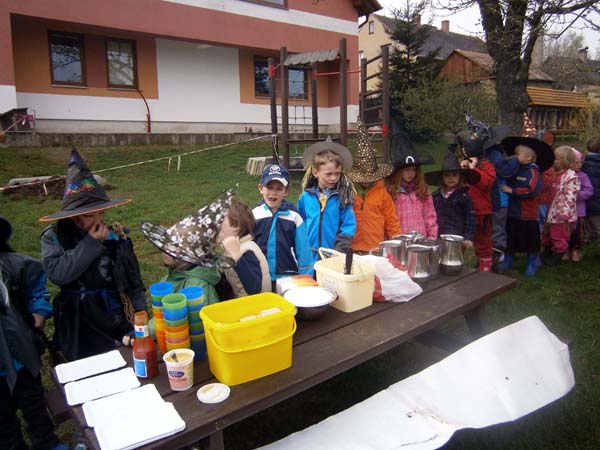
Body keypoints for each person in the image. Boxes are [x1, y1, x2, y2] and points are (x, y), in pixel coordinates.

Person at [39, 149, 147, 361]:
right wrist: (90, 244)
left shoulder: (116, 237)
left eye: (102, 213)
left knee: (122, 361)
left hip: (113, 315)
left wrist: (140, 317)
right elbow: (58, 275)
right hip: (77, 319)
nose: (98, 220)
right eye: (89, 215)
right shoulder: (54, 237)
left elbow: (133, 281)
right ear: (73, 216)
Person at [0, 217, 67, 450]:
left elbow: (36, 287)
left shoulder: (11, 265)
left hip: (21, 357)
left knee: (35, 406)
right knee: (3, 421)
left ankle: (47, 444)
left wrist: (39, 311)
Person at [498, 137, 553, 276]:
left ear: (528, 157)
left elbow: (532, 190)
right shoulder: (515, 168)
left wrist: (513, 191)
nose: (514, 157)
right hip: (512, 212)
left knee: (531, 240)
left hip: (527, 214)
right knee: (511, 237)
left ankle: (532, 262)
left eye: (518, 154)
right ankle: (509, 259)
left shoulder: (533, 171)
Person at [252, 164, 313, 286]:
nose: (273, 193)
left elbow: (304, 251)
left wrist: (306, 278)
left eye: (279, 189)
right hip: (261, 276)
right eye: (269, 187)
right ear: (261, 188)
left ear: (286, 191)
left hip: (288, 276)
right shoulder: (254, 216)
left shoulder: (294, 217)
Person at [298, 137, 356, 265]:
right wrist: (302, 245)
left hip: (333, 254)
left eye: (337, 173)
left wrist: (339, 249)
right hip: (310, 254)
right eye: (328, 174)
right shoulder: (306, 197)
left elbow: (348, 225)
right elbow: (300, 222)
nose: (333, 178)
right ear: (315, 172)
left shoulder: (342, 198)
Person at [348, 120, 401, 254]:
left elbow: (392, 221)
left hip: (375, 248)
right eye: (363, 177)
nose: (366, 181)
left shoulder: (383, 194)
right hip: (352, 247)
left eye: (370, 177)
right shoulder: (349, 193)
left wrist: (397, 245)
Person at [458, 116, 501, 272]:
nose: (464, 150)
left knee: (483, 243)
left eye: (467, 147)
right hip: (463, 210)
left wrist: (474, 169)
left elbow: (487, 183)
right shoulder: (462, 163)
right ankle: (454, 265)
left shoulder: (486, 165)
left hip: (481, 212)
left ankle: (485, 270)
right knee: (459, 240)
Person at [385, 131, 437, 240]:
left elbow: (430, 215)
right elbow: (388, 218)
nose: (411, 173)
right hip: (399, 240)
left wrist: (432, 237)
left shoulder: (422, 190)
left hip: (421, 240)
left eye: (413, 170)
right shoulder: (392, 191)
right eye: (407, 170)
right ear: (399, 172)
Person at [217, 198, 271, 298]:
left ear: (236, 226)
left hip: (256, 305)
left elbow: (255, 288)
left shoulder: (246, 250)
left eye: (220, 224)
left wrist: (237, 257)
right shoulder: (233, 249)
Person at [425, 150, 478, 246]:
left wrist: (468, 237)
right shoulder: (436, 196)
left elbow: (470, 217)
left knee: (454, 255)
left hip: (457, 237)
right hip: (438, 235)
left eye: (454, 175)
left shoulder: (464, 196)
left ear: (460, 176)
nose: (451, 178)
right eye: (447, 175)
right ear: (442, 177)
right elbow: (430, 216)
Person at [541, 146, 580, 266]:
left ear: (565, 161)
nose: (553, 161)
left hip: (561, 213)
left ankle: (558, 254)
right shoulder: (552, 173)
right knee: (546, 232)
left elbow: (570, 196)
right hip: (549, 209)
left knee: (558, 234)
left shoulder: (570, 177)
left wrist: (565, 213)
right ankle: (547, 251)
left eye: (556, 159)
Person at [564, 148, 593, 262]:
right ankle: (566, 250)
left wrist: (577, 194)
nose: (579, 165)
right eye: (576, 163)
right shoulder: (564, 175)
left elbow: (589, 190)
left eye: (581, 163)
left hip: (579, 211)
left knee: (577, 233)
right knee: (565, 231)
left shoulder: (583, 176)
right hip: (565, 210)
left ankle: (575, 250)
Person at [582, 136, 600, 242]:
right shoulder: (597, 163)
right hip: (597, 201)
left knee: (589, 224)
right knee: (597, 226)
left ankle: (588, 239)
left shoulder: (583, 162)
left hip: (586, 201)